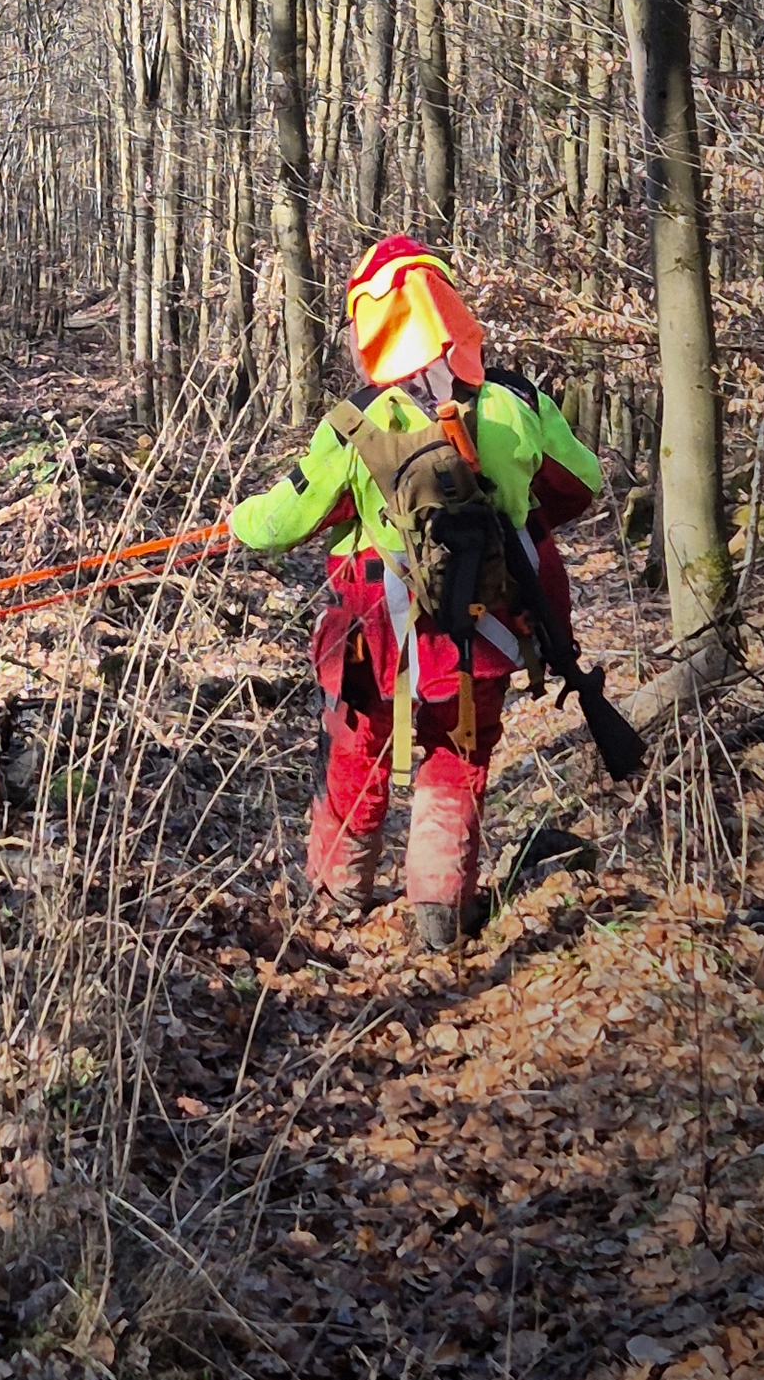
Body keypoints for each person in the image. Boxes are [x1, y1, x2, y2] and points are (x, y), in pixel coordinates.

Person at [228, 237, 603, 952]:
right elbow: (579, 484)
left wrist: (237, 520)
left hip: (373, 635)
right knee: (458, 757)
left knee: (356, 748)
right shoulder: (517, 401)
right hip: (483, 631)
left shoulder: (357, 420)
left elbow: (279, 522)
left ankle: (337, 894)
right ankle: (438, 910)